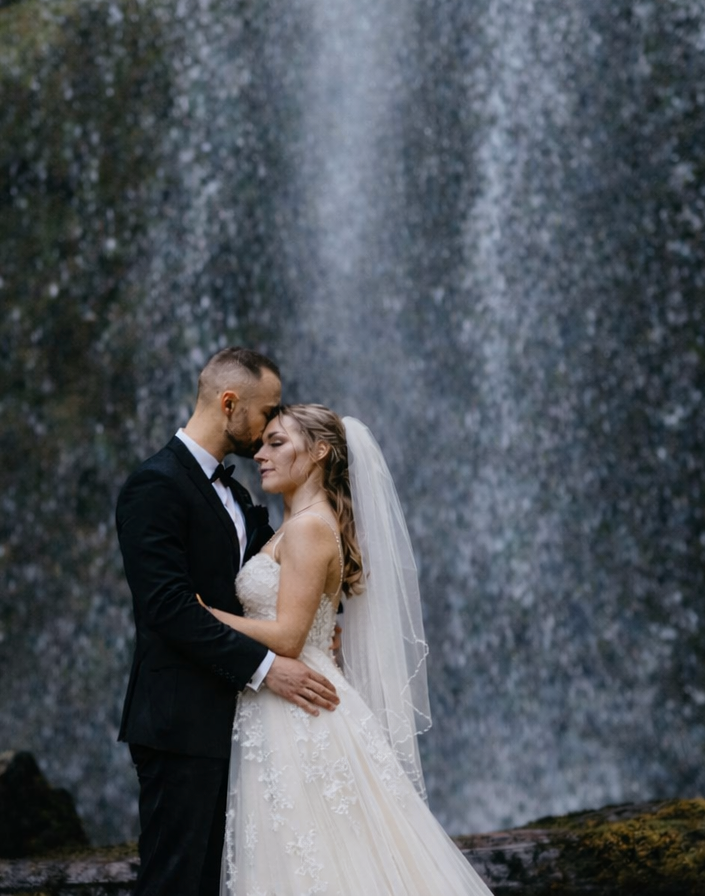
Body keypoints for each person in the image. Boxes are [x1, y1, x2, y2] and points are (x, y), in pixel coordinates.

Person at [199, 403, 494, 895]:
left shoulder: (309, 527)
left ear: (319, 452)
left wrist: (206, 616)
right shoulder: (304, 523)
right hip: (286, 700)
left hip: (299, 709)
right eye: (262, 443)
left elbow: (290, 636)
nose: (260, 455)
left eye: (277, 443)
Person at [116, 349, 341, 896]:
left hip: (243, 725)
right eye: (267, 413)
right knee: (176, 883)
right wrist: (268, 668)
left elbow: (281, 579)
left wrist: (323, 617)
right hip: (182, 723)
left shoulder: (237, 493)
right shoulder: (155, 486)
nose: (270, 428)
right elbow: (168, 610)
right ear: (229, 403)